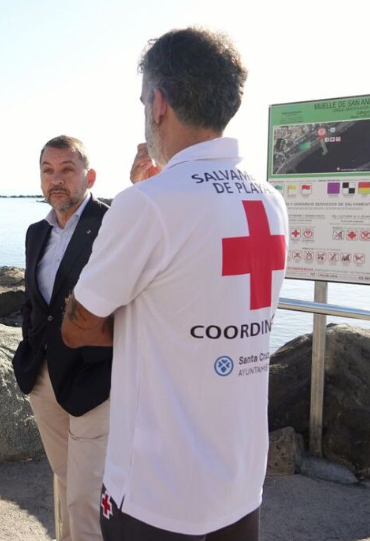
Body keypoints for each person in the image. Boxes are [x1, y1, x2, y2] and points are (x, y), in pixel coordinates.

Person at [62, 28, 288, 541]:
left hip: (154, 494)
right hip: (240, 484)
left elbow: (78, 327)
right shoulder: (270, 201)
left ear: (159, 102)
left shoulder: (146, 205)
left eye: (144, 99)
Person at [12, 135, 111, 541]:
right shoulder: (37, 232)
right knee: (67, 480)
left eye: (67, 170)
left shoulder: (111, 224)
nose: (57, 180)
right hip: (43, 377)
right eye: (48, 170)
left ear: (88, 176)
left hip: (94, 380)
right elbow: (34, 302)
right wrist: (31, 347)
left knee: (87, 496)